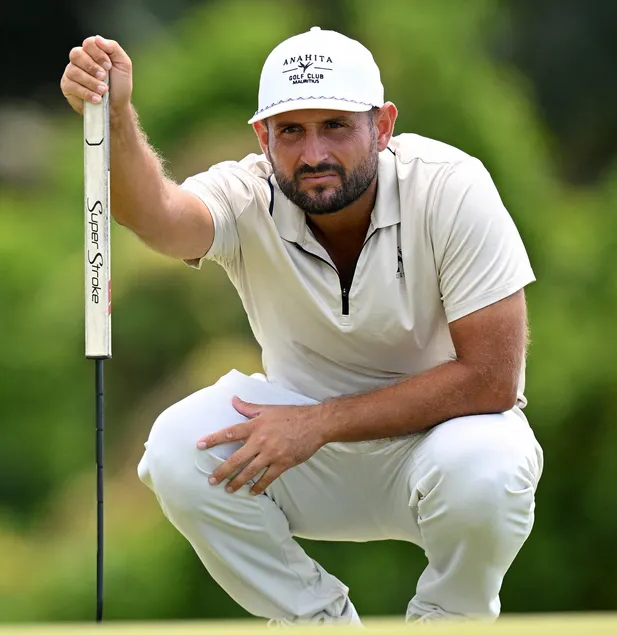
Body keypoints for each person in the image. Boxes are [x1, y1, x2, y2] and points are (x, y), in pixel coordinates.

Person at [60, 26, 544, 627]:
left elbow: (492, 380)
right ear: (263, 137)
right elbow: (157, 217)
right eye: (290, 130)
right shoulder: (248, 192)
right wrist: (117, 116)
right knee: (177, 450)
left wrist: (320, 422)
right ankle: (316, 625)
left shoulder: (451, 186)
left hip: (440, 448)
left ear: (382, 125)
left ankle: (450, 622)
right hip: (303, 460)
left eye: (335, 126)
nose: (313, 154)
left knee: (489, 463)